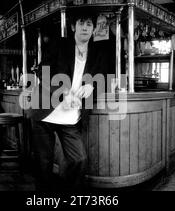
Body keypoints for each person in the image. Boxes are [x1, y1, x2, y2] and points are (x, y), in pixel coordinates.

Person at [27, 9, 114, 191]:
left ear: (94, 28)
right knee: (44, 164)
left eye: (89, 24)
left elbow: (104, 76)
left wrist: (92, 86)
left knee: (79, 159)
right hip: (45, 112)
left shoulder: (98, 52)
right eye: (81, 23)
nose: (85, 27)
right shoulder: (60, 44)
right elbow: (43, 70)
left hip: (71, 117)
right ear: (74, 27)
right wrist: (64, 91)